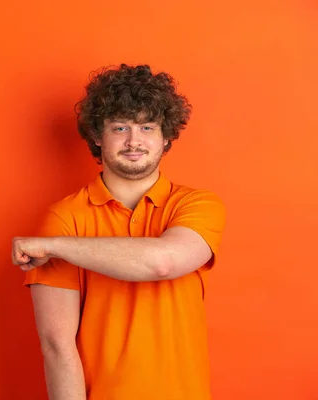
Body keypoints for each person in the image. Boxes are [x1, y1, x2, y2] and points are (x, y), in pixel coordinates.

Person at [11, 64, 226, 400]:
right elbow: (58, 347)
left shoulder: (197, 205)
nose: (133, 141)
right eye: (120, 127)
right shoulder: (65, 218)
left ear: (165, 136)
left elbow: (164, 262)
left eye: (147, 127)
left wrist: (56, 247)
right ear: (98, 135)